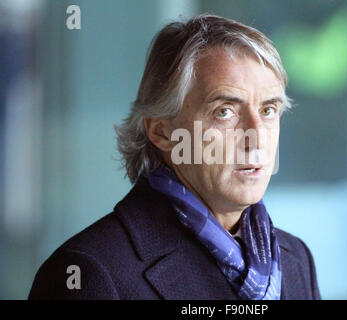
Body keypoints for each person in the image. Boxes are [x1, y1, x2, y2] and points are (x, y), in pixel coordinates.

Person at [28, 14, 320, 300]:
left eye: (268, 111)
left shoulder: (296, 259)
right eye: (225, 112)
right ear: (162, 132)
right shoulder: (87, 274)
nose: (256, 137)